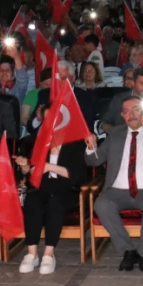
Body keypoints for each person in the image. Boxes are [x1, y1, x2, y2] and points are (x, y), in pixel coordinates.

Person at [85, 96, 143, 272]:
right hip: (118, 191)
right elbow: (95, 161)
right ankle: (128, 250)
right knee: (102, 203)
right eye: (126, 111)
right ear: (122, 116)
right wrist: (91, 147)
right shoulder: (116, 134)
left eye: (135, 109)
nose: (130, 114)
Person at [15, 109, 88, 275]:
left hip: (66, 188)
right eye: (46, 119)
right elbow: (29, 172)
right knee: (32, 201)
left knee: (55, 202)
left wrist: (49, 167)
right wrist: (24, 166)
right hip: (43, 187)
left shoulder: (75, 143)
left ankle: (49, 254)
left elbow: (78, 176)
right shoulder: (39, 142)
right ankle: (31, 253)